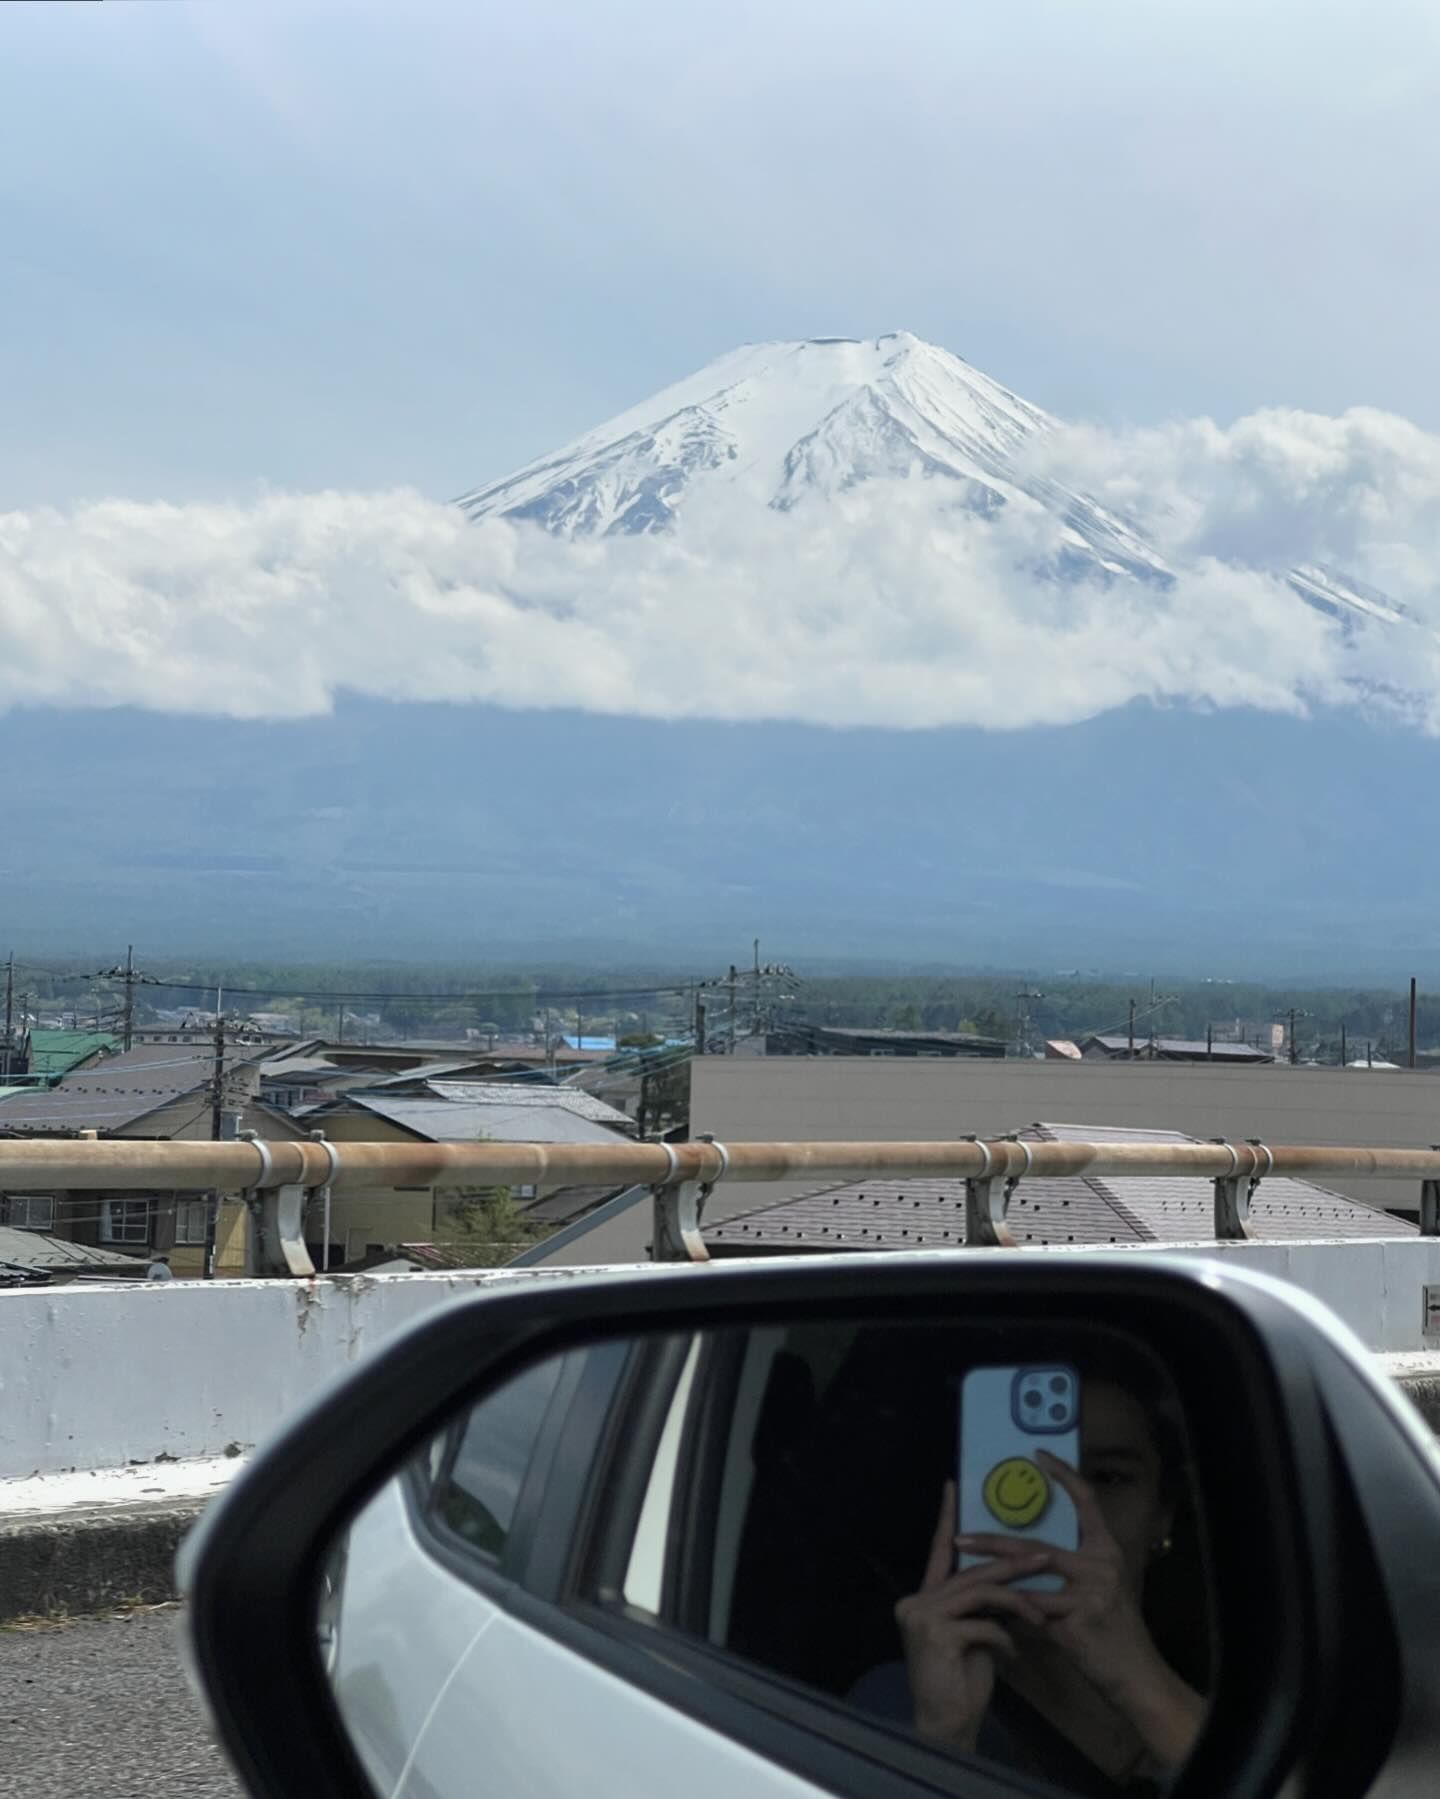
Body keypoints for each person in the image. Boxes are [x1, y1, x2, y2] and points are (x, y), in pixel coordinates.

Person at [852, 1370, 1207, 1795]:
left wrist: (1141, 1685)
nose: (1071, 1510)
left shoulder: (1255, 1689)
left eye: (1108, 1477)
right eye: (1026, 1476)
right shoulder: (903, 1701)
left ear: (1163, 1514)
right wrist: (945, 1739)